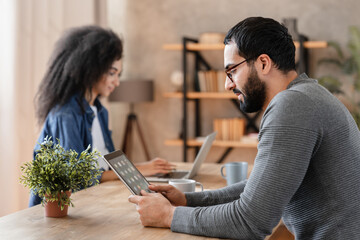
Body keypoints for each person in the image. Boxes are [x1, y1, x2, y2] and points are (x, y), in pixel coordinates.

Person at [128, 17, 360, 239]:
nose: (228, 84)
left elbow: (251, 221)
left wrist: (169, 215)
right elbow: (263, 185)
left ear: (263, 63)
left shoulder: (291, 105)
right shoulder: (309, 95)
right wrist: (188, 201)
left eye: (232, 71)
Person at [29, 25, 174, 207]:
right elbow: (77, 180)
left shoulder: (100, 112)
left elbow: (107, 167)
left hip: (95, 202)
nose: (117, 82)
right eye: (112, 73)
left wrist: (143, 168)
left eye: (118, 74)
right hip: (65, 214)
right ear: (90, 69)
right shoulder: (65, 115)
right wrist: (139, 169)